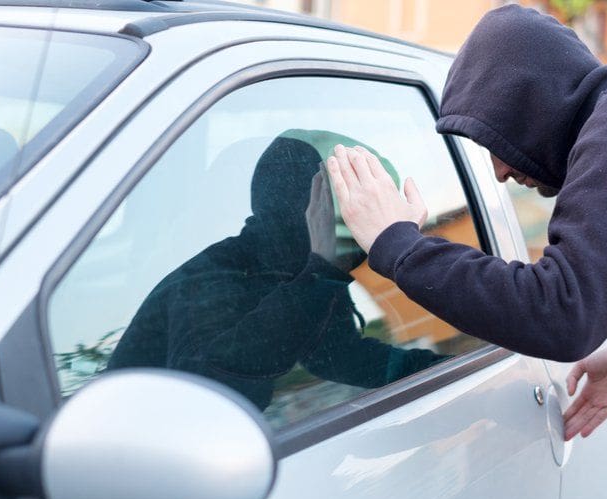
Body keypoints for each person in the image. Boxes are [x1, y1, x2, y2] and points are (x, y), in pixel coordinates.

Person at [327, 5, 607, 442]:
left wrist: (399, 246)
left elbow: (563, 315)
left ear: (529, 104)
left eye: (494, 138)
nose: (499, 172)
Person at [108, 132, 445, 411]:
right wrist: (321, 271)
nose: (358, 228)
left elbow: (334, 356)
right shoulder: (212, 276)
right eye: (339, 204)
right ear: (311, 205)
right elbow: (213, 387)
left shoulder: (301, 267)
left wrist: (432, 370)